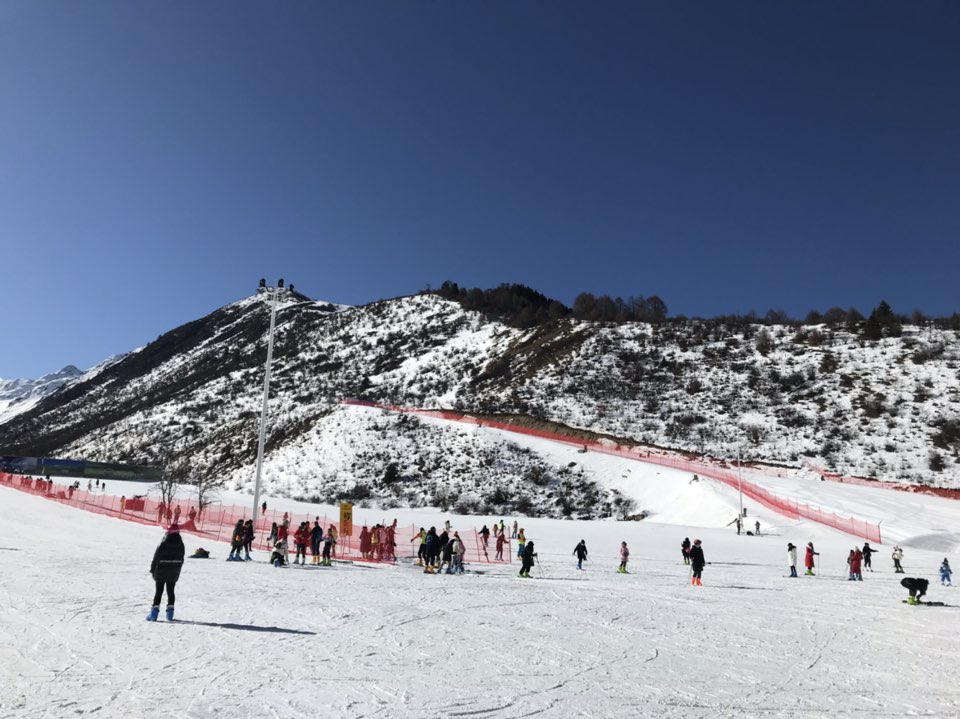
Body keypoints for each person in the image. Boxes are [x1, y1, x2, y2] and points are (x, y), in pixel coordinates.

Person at [147, 523, 185, 621]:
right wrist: (177, 569)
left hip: (161, 570)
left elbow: (156, 557)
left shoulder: (163, 543)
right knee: (171, 591)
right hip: (173, 571)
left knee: (159, 592)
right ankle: (170, 614)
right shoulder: (181, 545)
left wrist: (152, 569)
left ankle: (154, 614)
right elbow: (181, 559)